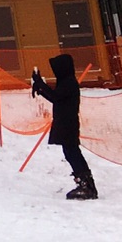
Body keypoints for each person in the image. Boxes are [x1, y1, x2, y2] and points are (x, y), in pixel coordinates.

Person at [32, 53, 96, 200]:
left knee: (72, 152)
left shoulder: (69, 83)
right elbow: (56, 98)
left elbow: (56, 97)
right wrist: (41, 90)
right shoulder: (65, 82)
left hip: (68, 123)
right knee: (71, 152)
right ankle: (85, 183)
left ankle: (86, 185)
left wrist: (41, 84)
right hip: (65, 122)